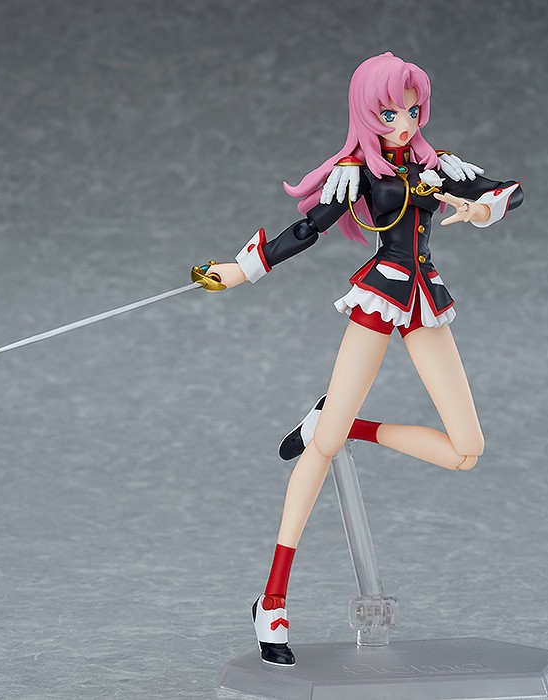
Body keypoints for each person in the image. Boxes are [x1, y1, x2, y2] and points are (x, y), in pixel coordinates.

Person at [204, 52, 523, 666]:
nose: (404, 123)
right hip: (380, 295)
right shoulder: (359, 173)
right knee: (322, 450)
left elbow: (509, 190)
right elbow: (308, 229)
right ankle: (272, 600)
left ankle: (341, 422)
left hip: (425, 300)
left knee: (466, 451)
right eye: (390, 113)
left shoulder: (437, 166)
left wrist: (482, 208)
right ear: (367, 114)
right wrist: (241, 270)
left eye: (412, 110)